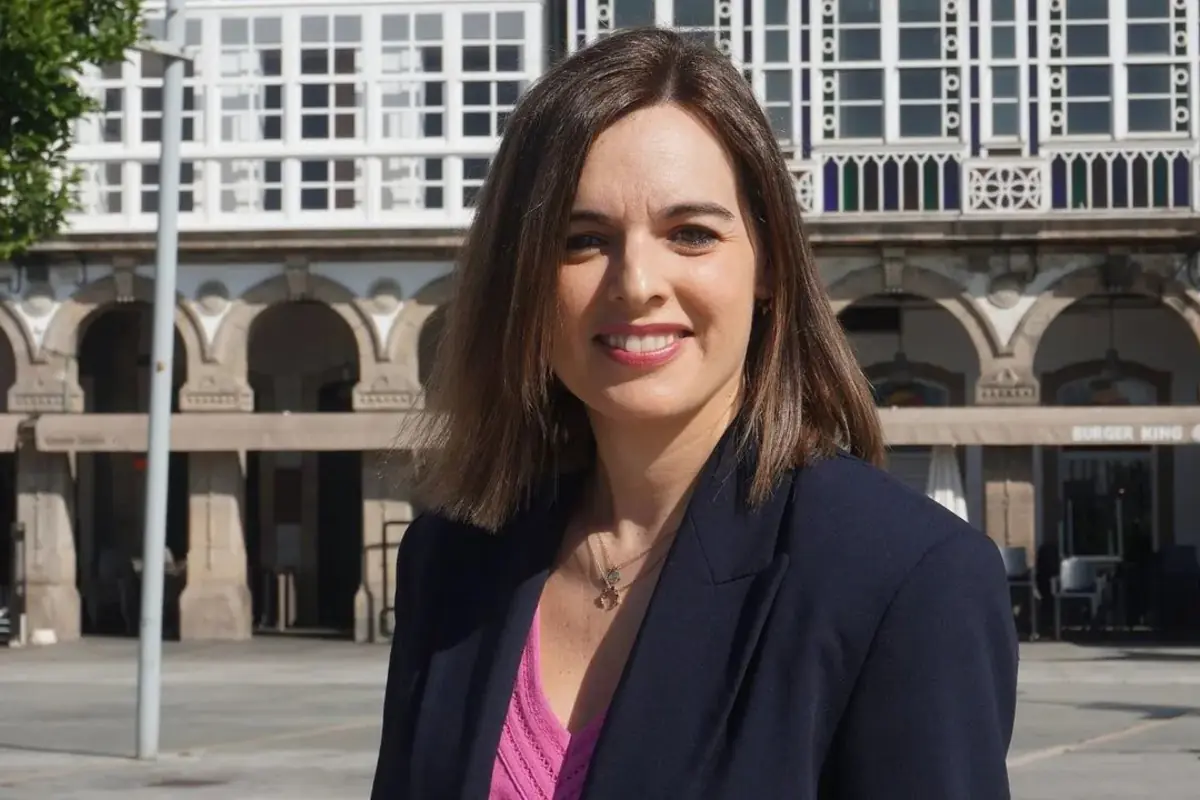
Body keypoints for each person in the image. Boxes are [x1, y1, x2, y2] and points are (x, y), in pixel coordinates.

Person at [371, 26, 1018, 800]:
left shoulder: (906, 581)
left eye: (690, 234)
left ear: (768, 264)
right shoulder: (452, 559)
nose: (637, 282)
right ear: (522, 277)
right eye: (582, 240)